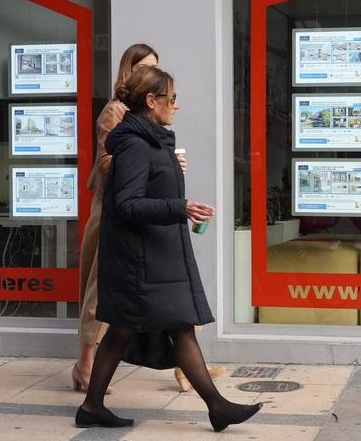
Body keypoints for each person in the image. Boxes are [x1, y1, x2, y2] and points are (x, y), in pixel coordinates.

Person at [75, 66, 262, 432]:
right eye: (171, 98)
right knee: (167, 326)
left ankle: (93, 405)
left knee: (135, 329)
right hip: (140, 260)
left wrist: (181, 202)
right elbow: (128, 204)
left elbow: (152, 191)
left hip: (155, 256)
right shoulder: (135, 145)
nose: (176, 105)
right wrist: (181, 208)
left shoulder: (152, 141)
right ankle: (216, 407)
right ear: (151, 100)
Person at [74, 43, 222, 394]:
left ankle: (186, 370)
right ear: (130, 72)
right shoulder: (116, 112)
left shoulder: (155, 119)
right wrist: (154, 163)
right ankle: (85, 365)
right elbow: (107, 162)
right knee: (103, 295)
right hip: (115, 214)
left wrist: (167, 162)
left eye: (154, 66)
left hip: (150, 213)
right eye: (143, 67)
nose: (150, 72)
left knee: (168, 297)